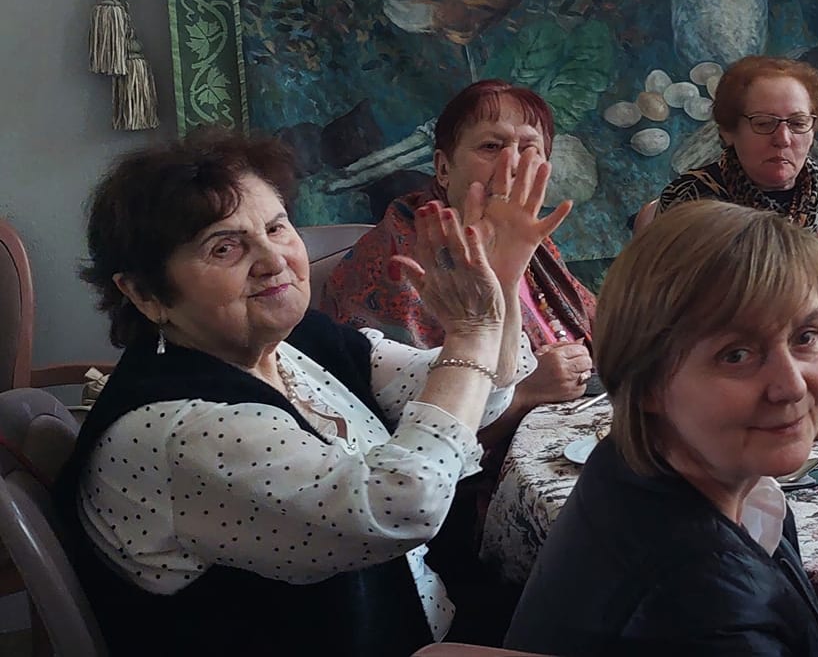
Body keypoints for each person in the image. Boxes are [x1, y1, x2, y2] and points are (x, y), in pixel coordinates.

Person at [58, 128, 540, 657]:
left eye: (276, 227)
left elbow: (479, 395)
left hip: (425, 621)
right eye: (225, 248)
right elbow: (400, 505)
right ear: (144, 293)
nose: (274, 260)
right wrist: (471, 332)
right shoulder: (181, 428)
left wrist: (501, 278)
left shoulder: (289, 343)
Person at [505, 200, 818, 656]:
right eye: (737, 355)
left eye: (805, 336)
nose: (792, 386)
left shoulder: (641, 467)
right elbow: (723, 616)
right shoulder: (696, 603)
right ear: (645, 384)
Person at [322, 80, 595, 449]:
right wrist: (526, 394)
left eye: (530, 149)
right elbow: (402, 445)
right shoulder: (396, 262)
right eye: (491, 147)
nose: (513, 164)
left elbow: (602, 332)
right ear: (443, 167)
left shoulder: (528, 237)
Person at [656, 56, 818, 302]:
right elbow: (666, 307)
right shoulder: (691, 199)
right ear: (728, 131)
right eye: (764, 123)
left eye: (798, 123)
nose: (783, 139)